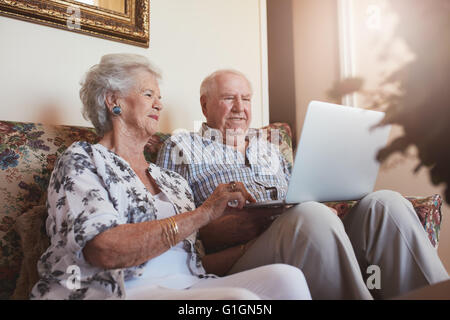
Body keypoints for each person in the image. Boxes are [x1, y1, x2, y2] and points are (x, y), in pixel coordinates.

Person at [30, 55, 312, 300]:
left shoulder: (170, 180)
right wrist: (203, 213)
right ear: (113, 100)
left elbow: (198, 261)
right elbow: (104, 250)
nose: (159, 105)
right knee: (239, 299)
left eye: (160, 98)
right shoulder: (83, 160)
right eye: (148, 94)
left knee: (286, 279)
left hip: (188, 284)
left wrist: (258, 240)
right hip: (116, 289)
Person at [156, 69, 449, 300]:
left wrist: (319, 203)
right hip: (243, 250)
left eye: (246, 99)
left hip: (309, 231)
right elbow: (167, 227)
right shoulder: (181, 146)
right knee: (311, 215)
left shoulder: (268, 146)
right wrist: (211, 229)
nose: (239, 107)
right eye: (228, 98)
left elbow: (301, 193)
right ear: (204, 104)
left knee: (385, 203)